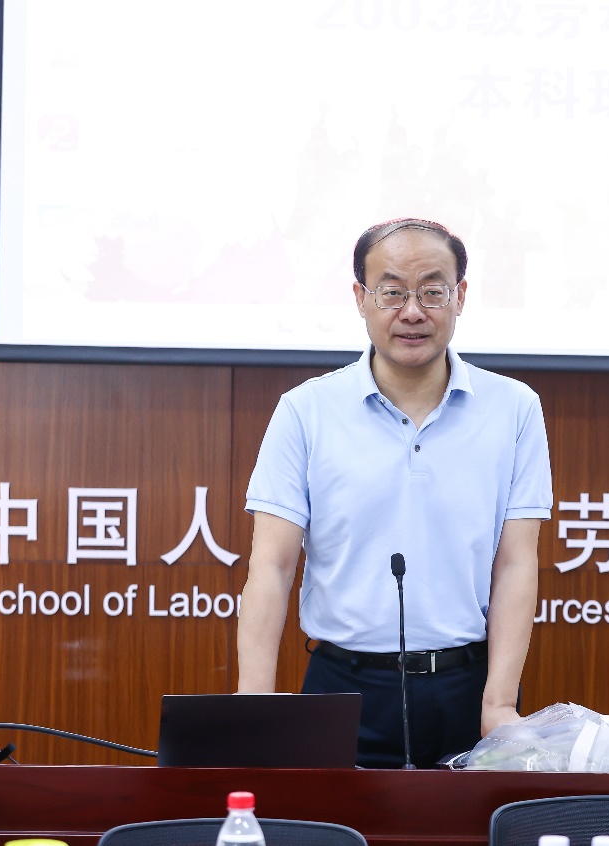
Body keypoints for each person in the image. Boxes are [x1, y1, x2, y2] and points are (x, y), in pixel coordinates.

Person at [237, 218, 553, 768]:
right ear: (361, 298)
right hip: (343, 685)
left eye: (432, 292)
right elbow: (272, 565)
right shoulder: (306, 411)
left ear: (460, 297)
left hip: (468, 687)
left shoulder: (514, 409)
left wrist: (499, 702)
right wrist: (254, 705)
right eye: (391, 292)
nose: (412, 312)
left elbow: (516, 563)